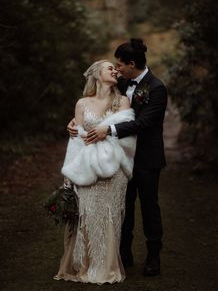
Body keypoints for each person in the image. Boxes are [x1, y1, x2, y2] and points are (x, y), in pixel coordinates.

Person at [68, 39, 167, 276]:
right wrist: (75, 122)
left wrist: (109, 130)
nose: (117, 69)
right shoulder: (121, 82)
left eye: (120, 64)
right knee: (123, 206)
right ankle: (124, 253)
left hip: (146, 158)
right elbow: (99, 105)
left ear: (132, 64)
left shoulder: (156, 88)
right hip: (119, 157)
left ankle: (154, 256)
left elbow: (144, 123)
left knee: (149, 206)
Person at [54, 60, 137, 284]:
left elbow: (128, 137)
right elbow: (76, 139)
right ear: (96, 74)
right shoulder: (82, 104)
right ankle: (83, 266)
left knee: (109, 216)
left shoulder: (122, 101)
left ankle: (106, 268)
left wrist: (105, 136)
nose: (115, 70)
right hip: (86, 167)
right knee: (86, 214)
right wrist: (70, 170)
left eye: (115, 68)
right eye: (109, 67)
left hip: (114, 169)